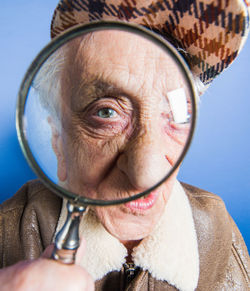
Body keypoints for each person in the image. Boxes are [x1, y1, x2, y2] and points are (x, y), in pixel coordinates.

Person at [0, 1, 249, 291]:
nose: (146, 175)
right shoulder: (8, 233)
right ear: (58, 139)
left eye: (177, 114)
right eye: (106, 112)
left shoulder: (219, 231)